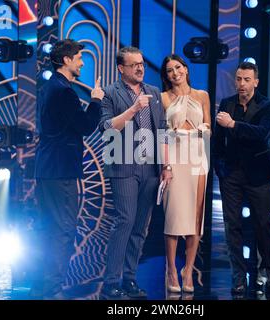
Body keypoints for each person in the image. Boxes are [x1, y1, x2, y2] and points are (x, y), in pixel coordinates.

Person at [34, 39, 104, 299]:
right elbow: (85, 125)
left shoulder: (52, 87)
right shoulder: (63, 91)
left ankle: (44, 285)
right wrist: (96, 101)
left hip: (49, 169)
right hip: (60, 171)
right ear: (66, 60)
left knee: (51, 227)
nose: (82, 62)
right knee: (63, 228)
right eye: (78, 57)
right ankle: (51, 288)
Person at [98, 46, 169, 300]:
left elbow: (162, 130)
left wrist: (166, 166)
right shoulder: (110, 93)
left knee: (141, 226)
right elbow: (107, 128)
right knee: (125, 220)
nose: (140, 68)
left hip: (150, 167)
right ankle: (111, 281)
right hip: (123, 166)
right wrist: (133, 109)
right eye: (134, 65)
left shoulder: (154, 93)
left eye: (142, 64)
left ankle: (129, 279)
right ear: (121, 68)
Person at [212, 61, 270, 295]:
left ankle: (266, 273)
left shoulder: (267, 106)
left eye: (247, 79)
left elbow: (261, 135)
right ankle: (238, 276)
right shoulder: (227, 103)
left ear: (256, 82)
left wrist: (233, 124)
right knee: (233, 226)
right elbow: (217, 140)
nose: (242, 84)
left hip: (257, 174)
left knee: (262, 224)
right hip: (231, 173)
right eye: (239, 79)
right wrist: (219, 167)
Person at [159, 54, 210, 293]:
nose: (175, 73)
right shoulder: (163, 98)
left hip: (198, 159)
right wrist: (165, 165)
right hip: (175, 160)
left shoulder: (202, 96)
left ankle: (188, 269)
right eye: (169, 70)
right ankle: (171, 268)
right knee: (174, 217)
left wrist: (203, 129)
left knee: (194, 221)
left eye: (178, 67)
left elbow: (209, 126)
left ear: (186, 69)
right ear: (166, 75)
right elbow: (161, 135)